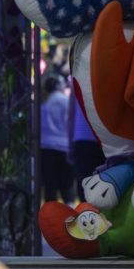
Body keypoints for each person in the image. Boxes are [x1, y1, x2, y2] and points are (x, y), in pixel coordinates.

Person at [41, 73, 74, 204]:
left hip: (45, 147)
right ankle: (71, 217)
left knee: (50, 186)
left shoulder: (42, 102)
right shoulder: (66, 100)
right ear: (56, 85)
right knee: (67, 185)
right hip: (64, 147)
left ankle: (48, 220)